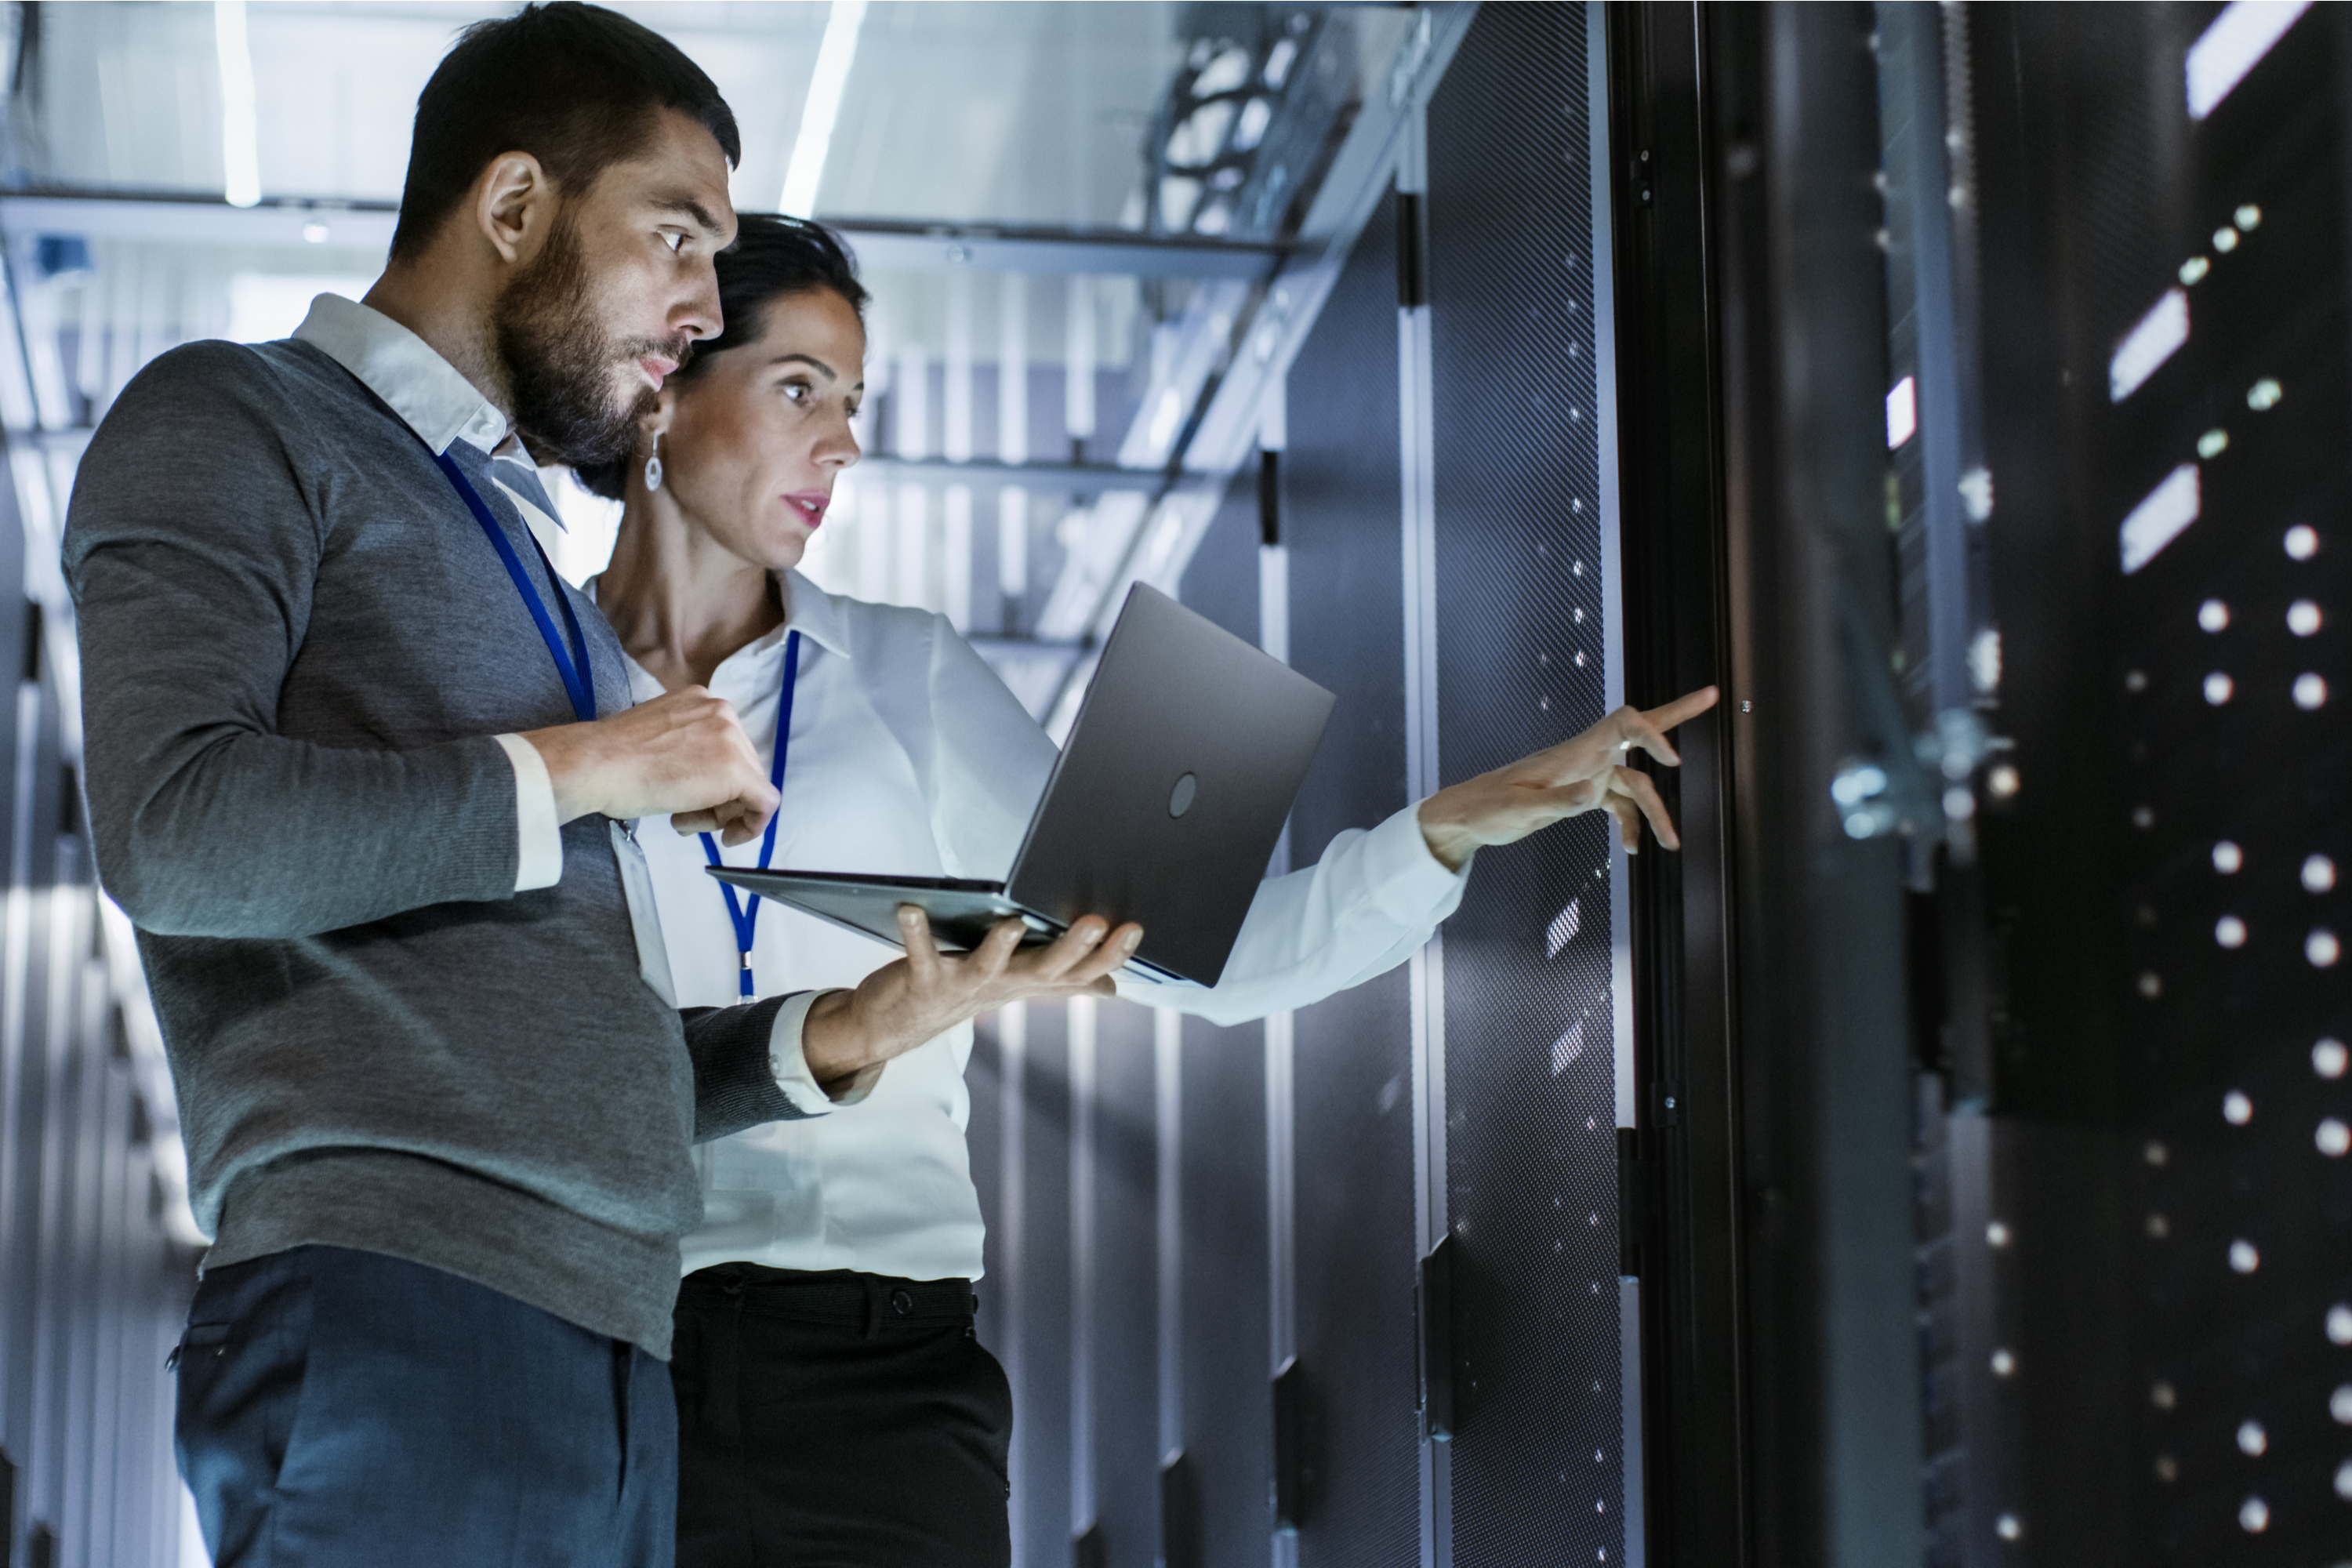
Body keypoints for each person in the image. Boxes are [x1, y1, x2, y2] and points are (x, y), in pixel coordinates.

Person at [579, 214, 1719, 1567]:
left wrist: (1451, 829)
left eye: (856, 404)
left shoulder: (907, 676)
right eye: (799, 389)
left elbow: (1202, 958)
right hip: (600, 1348)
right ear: (668, 384)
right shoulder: (533, 687)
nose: (844, 444)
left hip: (878, 1371)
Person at [63, 10, 925, 1566]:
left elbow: (536, 1017)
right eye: (676, 236)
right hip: (396, 1312)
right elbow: (175, 832)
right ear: (516, 207)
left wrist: (829, 1038)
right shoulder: (236, 419)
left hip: (609, 1350)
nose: (698, 305)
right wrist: (608, 758)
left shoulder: (518, 543)